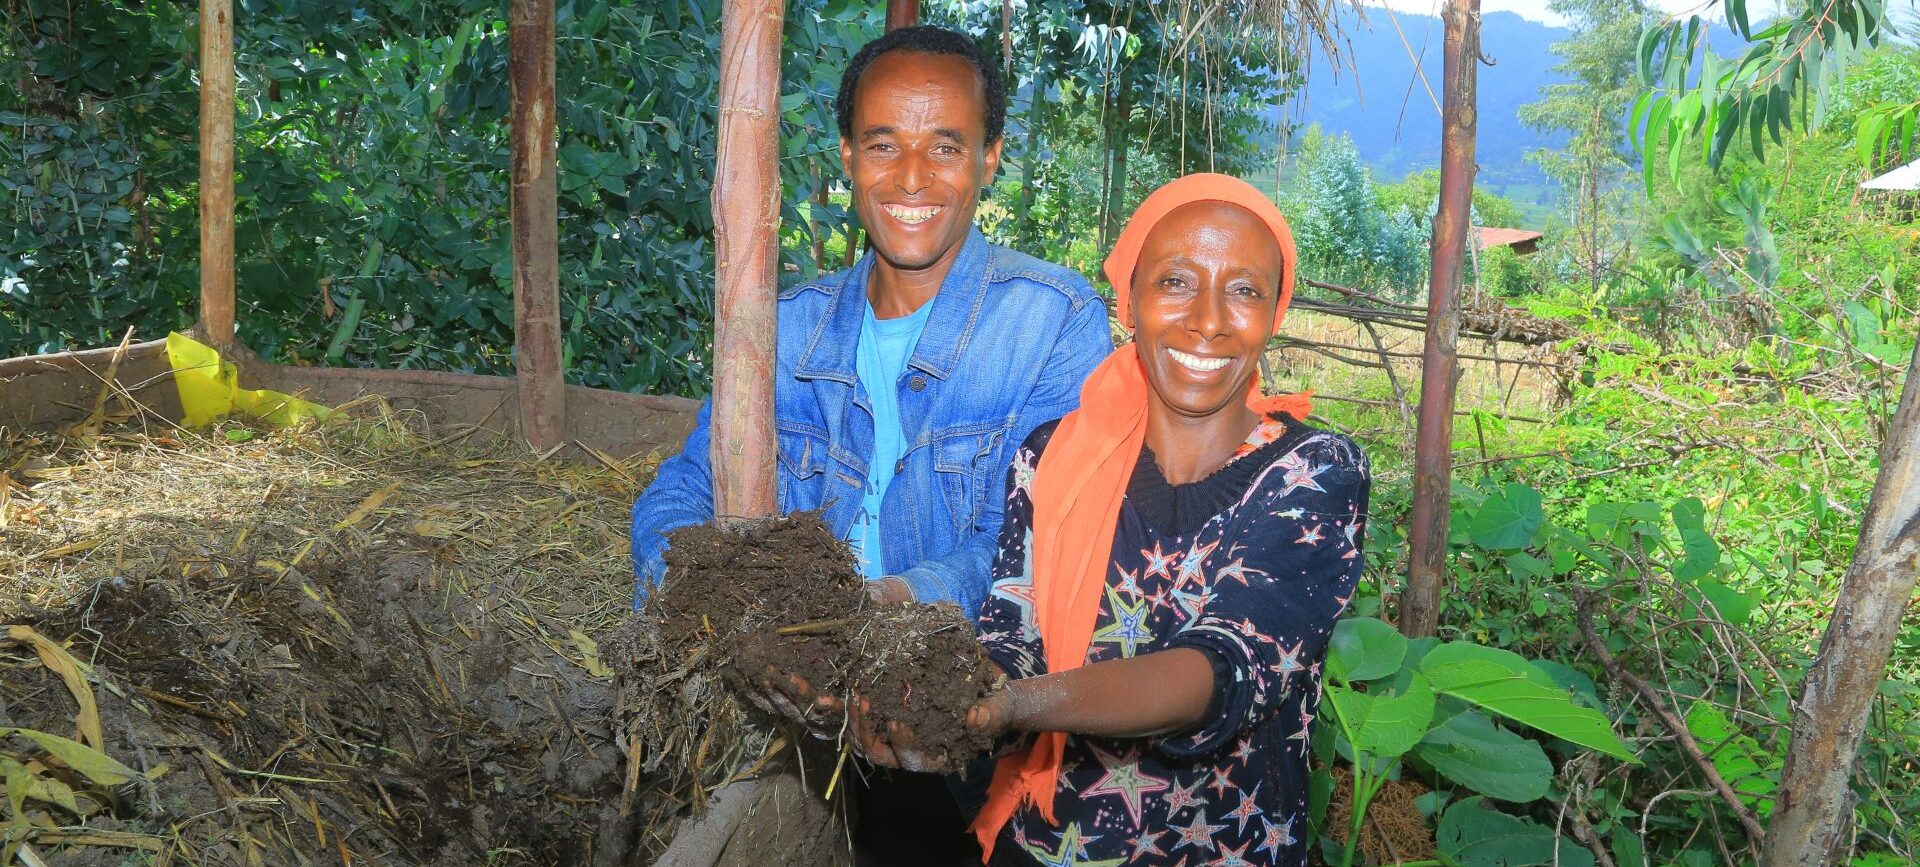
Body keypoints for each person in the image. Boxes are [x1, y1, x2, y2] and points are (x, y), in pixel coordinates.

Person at [837, 174, 1371, 866]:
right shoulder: (1053, 456)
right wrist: (946, 687)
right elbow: (1013, 636)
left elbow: (1220, 668)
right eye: (1176, 281)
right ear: (1130, 299)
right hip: (1048, 844)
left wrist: (1017, 705)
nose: (1208, 319)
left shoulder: (1315, 472)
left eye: (1244, 290)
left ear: (1274, 313)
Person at [630, 26, 1111, 617]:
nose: (912, 178)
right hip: (779, 660)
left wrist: (880, 608)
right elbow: (685, 488)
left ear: (989, 159)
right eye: (884, 146)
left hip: (958, 674)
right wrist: (696, 592)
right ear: (849, 156)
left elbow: (1032, 538)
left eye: (945, 147)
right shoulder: (787, 330)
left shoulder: (1051, 322)